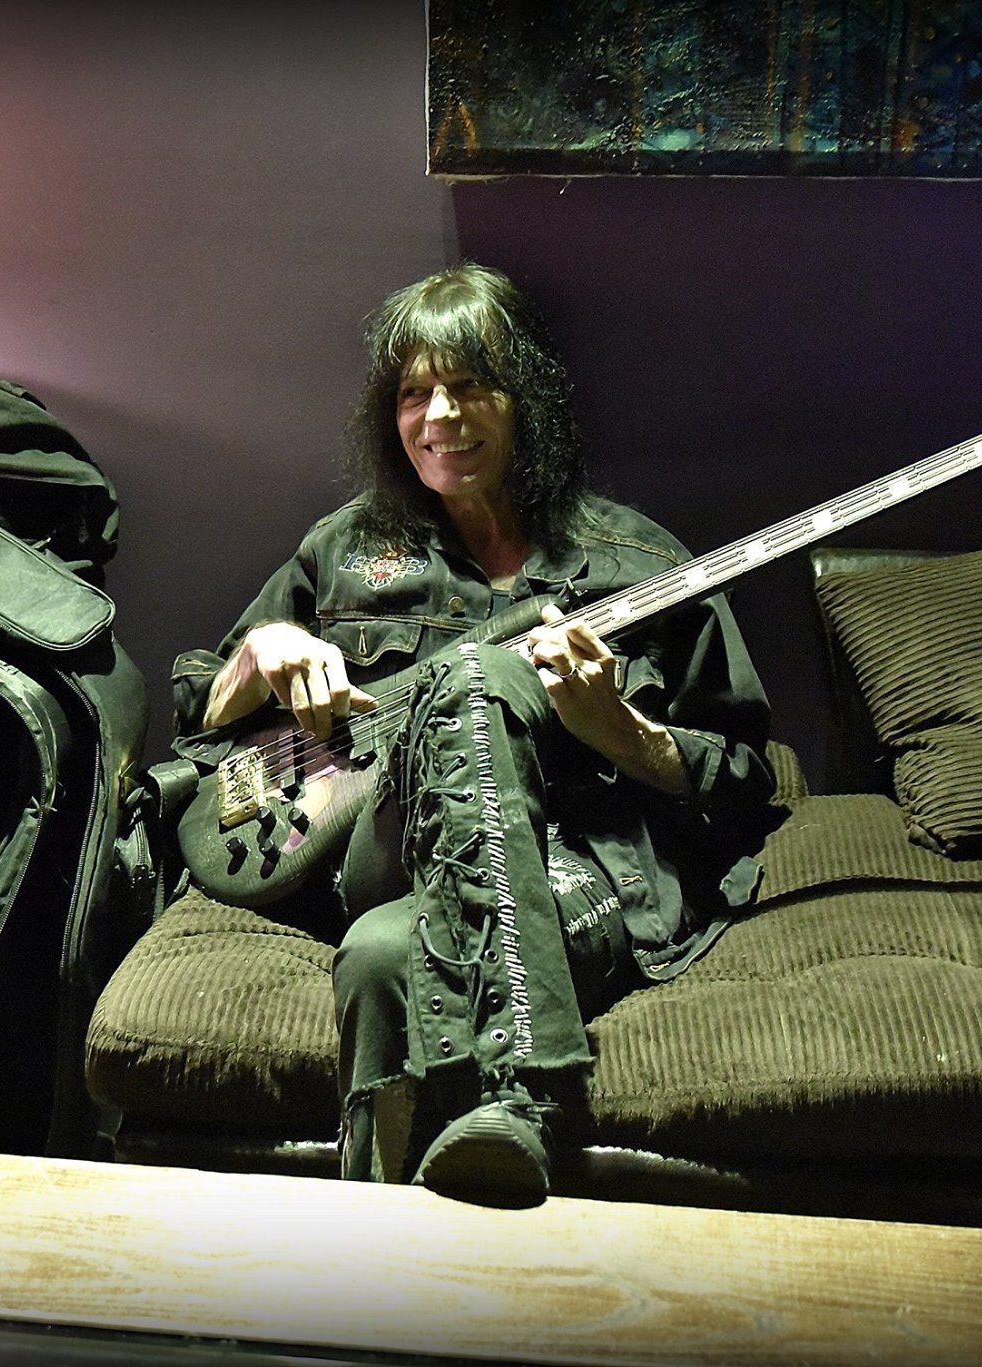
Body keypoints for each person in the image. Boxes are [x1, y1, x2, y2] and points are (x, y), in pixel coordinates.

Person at [170, 264, 776, 1204]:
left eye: (468, 386)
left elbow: (744, 779)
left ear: (524, 397)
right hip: (386, 850)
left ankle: (385, 1247)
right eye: (415, 393)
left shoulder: (640, 564)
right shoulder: (344, 550)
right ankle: (523, 1094)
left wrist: (617, 731)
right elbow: (198, 722)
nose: (440, 415)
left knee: (381, 955)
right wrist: (260, 652)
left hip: (582, 864)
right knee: (478, 674)